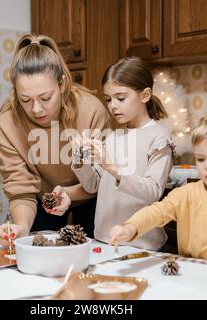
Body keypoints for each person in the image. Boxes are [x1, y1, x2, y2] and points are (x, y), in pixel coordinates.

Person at [109, 112, 207, 270]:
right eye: (201, 159)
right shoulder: (185, 194)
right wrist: (131, 227)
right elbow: (156, 212)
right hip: (195, 274)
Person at [0, 33, 111, 243]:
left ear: (62, 84)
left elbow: (103, 177)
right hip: (41, 203)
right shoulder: (6, 124)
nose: (36, 109)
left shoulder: (91, 110)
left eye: (46, 98)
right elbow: (20, 189)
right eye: (25, 99)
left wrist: (69, 194)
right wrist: (21, 227)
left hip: (91, 197)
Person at [50, 57, 174, 250]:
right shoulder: (113, 137)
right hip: (104, 240)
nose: (113, 105)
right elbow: (93, 186)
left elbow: (153, 192)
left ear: (145, 95)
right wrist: (79, 159)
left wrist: (112, 168)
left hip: (143, 245)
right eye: (108, 99)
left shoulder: (159, 137)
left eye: (121, 98)